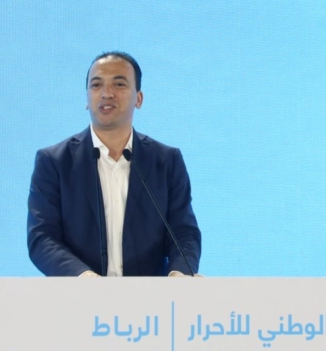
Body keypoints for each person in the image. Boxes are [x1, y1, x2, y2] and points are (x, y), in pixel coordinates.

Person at [27, 52, 201, 277]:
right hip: (79, 294)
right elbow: (42, 237)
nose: (106, 93)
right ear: (87, 98)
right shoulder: (54, 162)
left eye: (119, 84)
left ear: (139, 99)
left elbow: (184, 233)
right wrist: (83, 278)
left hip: (149, 297)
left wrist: (180, 275)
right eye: (96, 85)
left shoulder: (166, 161)